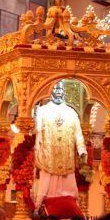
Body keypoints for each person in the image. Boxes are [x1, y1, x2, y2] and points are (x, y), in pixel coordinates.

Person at [35, 80, 87, 211]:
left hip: (66, 156)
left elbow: (78, 134)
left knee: (68, 183)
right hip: (48, 155)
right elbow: (36, 129)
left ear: (65, 92)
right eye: (55, 90)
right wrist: (33, 117)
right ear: (50, 91)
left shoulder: (71, 112)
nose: (58, 92)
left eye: (61, 90)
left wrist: (82, 150)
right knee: (46, 182)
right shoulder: (42, 110)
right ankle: (41, 207)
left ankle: (69, 207)